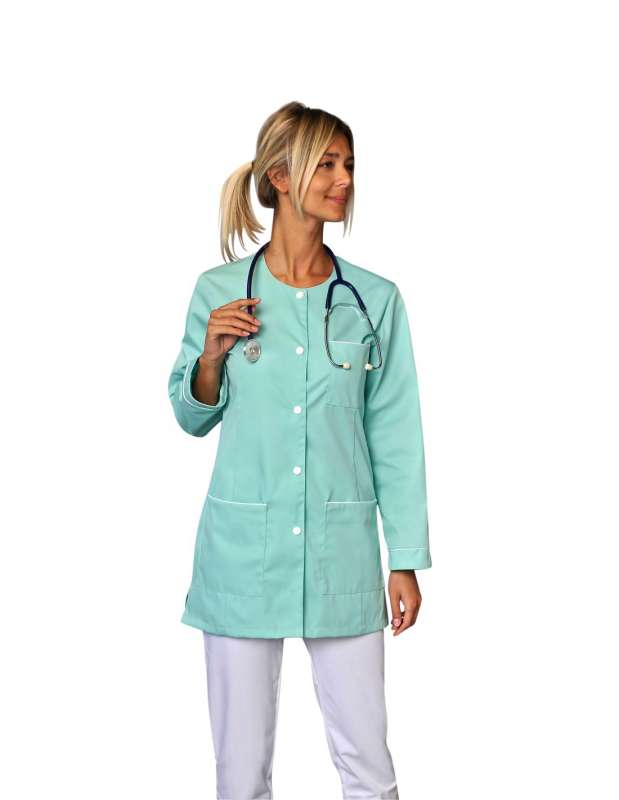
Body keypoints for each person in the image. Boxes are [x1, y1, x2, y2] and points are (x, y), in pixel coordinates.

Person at [168, 101, 432, 800]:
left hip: (341, 555)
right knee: (239, 776)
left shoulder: (374, 300)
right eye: (328, 164)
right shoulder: (219, 292)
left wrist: (404, 557)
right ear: (281, 176)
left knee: (369, 771)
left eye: (349, 165)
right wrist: (211, 358)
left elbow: (395, 434)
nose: (344, 180)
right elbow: (190, 416)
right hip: (240, 559)